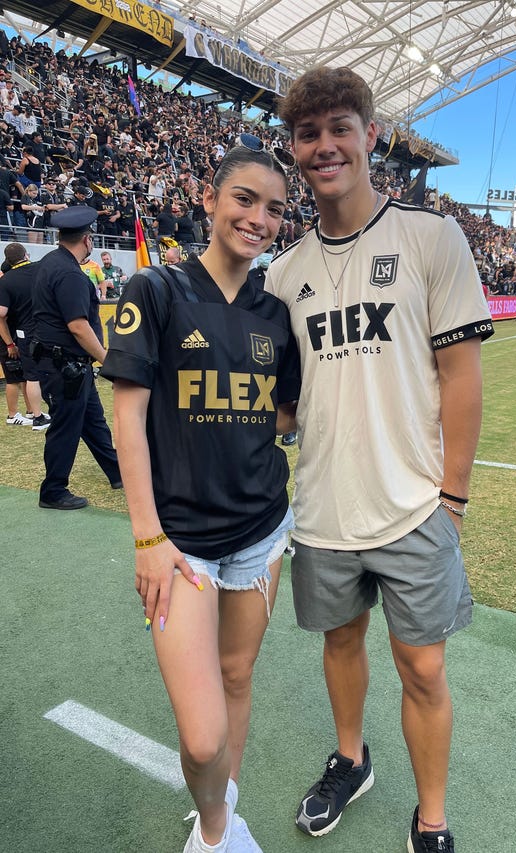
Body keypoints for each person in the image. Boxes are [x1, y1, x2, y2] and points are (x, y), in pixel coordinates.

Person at [266, 66, 494, 853]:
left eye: (340, 128)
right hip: (324, 506)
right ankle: (351, 759)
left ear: (371, 135)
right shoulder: (282, 274)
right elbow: (288, 402)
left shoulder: (432, 237)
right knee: (340, 644)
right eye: (308, 133)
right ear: (295, 149)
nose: (324, 145)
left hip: (414, 505)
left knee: (423, 668)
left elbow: (461, 377)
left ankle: (431, 818)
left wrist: (453, 497)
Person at [100, 145, 300, 853]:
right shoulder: (154, 290)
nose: (258, 218)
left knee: (237, 675)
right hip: (179, 543)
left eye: (274, 208)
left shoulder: (276, 313)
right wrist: (148, 538)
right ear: (209, 199)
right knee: (202, 734)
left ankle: (224, 813)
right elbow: (128, 419)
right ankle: (215, 831)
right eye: (245, 198)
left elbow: (283, 413)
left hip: (261, 529)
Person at [31, 206, 121, 510]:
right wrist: (108, 361)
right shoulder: (70, 274)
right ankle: (53, 491)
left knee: (93, 422)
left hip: (68, 366)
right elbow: (79, 327)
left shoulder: (50, 263)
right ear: (87, 239)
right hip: (65, 366)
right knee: (65, 428)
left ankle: (117, 472)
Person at [0, 242, 50, 430]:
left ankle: (34, 413)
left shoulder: (6, 281)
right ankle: (19, 414)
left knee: (28, 376)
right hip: (38, 330)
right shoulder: (39, 270)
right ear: (26, 255)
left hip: (20, 334)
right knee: (20, 377)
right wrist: (9, 344)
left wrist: (10, 343)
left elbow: (2, 314)